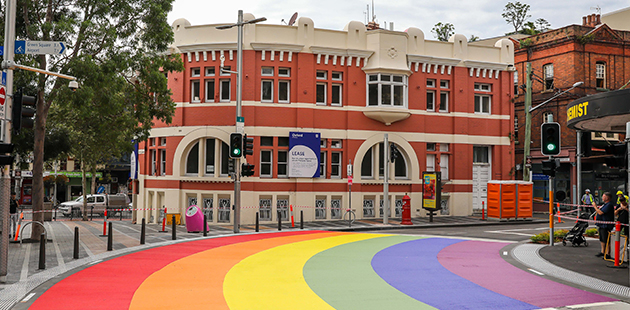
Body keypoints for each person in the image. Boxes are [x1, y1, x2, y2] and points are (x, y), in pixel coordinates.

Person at [595, 192, 615, 259]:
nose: (602, 198)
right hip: (601, 224)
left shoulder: (609, 205)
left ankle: (608, 253)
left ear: (607, 198)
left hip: (606, 224)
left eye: (603, 196)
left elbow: (600, 212)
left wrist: (595, 207)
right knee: (602, 238)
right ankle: (602, 251)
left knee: (606, 239)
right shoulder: (604, 204)